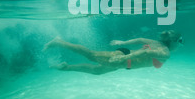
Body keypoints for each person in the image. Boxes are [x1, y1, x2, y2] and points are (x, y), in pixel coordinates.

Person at [43, 30, 183, 75]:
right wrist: (125, 56)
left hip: (125, 60)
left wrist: (122, 43)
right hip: (124, 59)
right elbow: (146, 53)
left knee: (97, 72)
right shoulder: (165, 53)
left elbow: (140, 39)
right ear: (175, 41)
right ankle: (58, 42)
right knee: (91, 55)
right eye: (180, 41)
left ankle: (65, 67)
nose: (180, 45)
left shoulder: (157, 44)